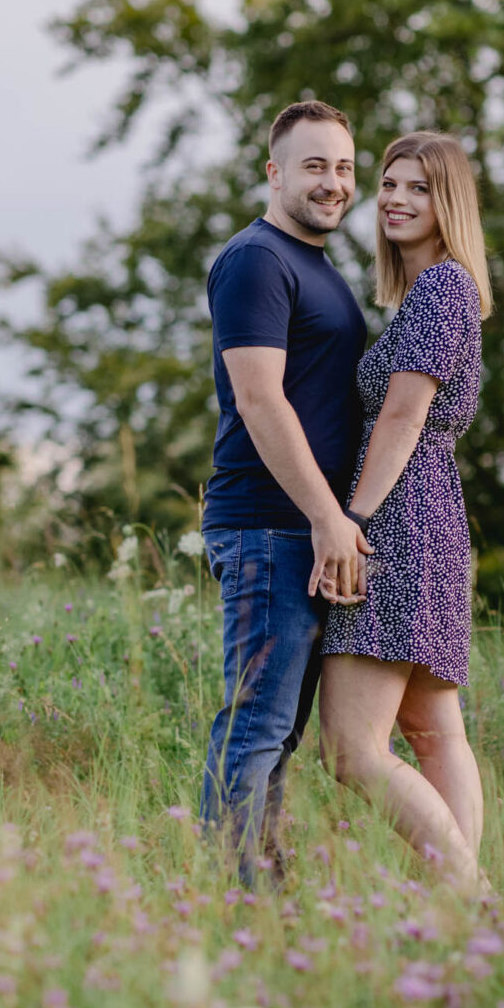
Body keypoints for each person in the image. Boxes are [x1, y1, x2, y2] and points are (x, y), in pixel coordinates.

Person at [200, 100, 370, 883]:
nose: (333, 183)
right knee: (256, 726)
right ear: (273, 173)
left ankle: (262, 893)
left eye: (342, 167)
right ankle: (231, 900)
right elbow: (259, 400)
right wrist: (325, 516)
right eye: (313, 166)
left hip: (302, 532)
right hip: (270, 527)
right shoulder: (255, 260)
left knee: (281, 733)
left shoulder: (319, 267)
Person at [319, 131, 491, 890]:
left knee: (351, 749)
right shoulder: (432, 293)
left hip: (397, 514)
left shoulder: (443, 289)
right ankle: (463, 919)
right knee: (431, 730)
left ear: (446, 201)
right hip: (430, 514)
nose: (393, 197)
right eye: (387, 183)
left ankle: (470, 897)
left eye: (417, 187)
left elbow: (401, 418)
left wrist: (349, 522)